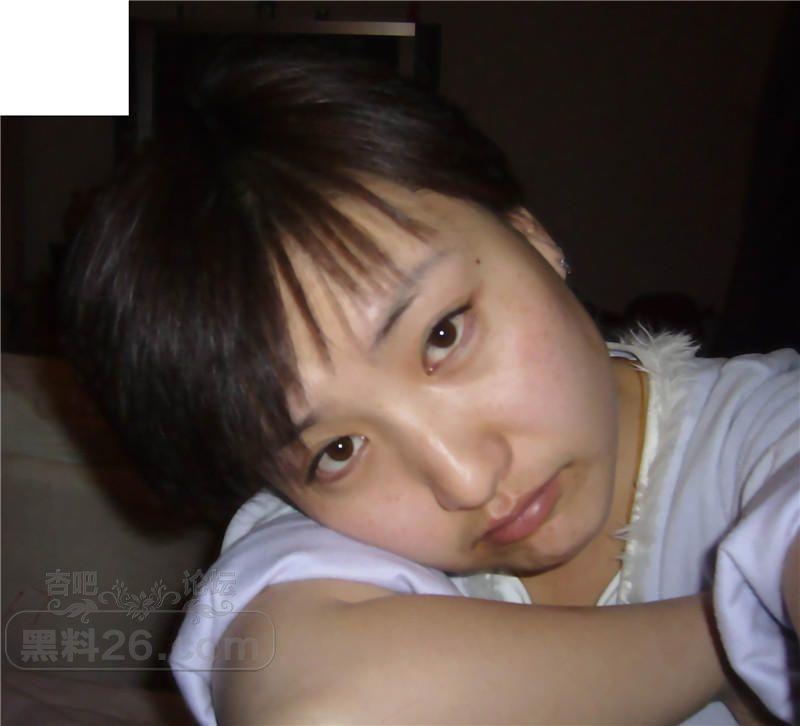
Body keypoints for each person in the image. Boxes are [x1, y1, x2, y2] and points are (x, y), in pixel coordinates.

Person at [59, 43, 799, 725]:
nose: (466, 478)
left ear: (531, 236)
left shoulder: (763, 434)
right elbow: (325, 711)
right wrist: (728, 634)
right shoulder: (320, 537)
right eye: (340, 449)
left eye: (443, 335)